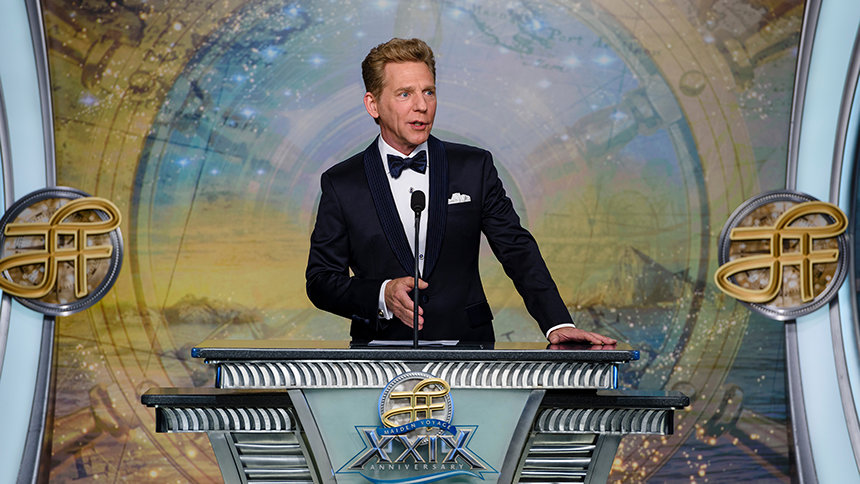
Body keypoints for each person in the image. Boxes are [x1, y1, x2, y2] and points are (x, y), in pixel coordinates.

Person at [306, 38, 615, 345]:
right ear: (373, 104)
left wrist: (557, 322)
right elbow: (321, 281)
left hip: (470, 348)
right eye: (405, 94)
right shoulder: (341, 182)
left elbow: (517, 249)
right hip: (378, 353)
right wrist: (381, 294)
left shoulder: (474, 167)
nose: (422, 106)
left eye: (429, 92)